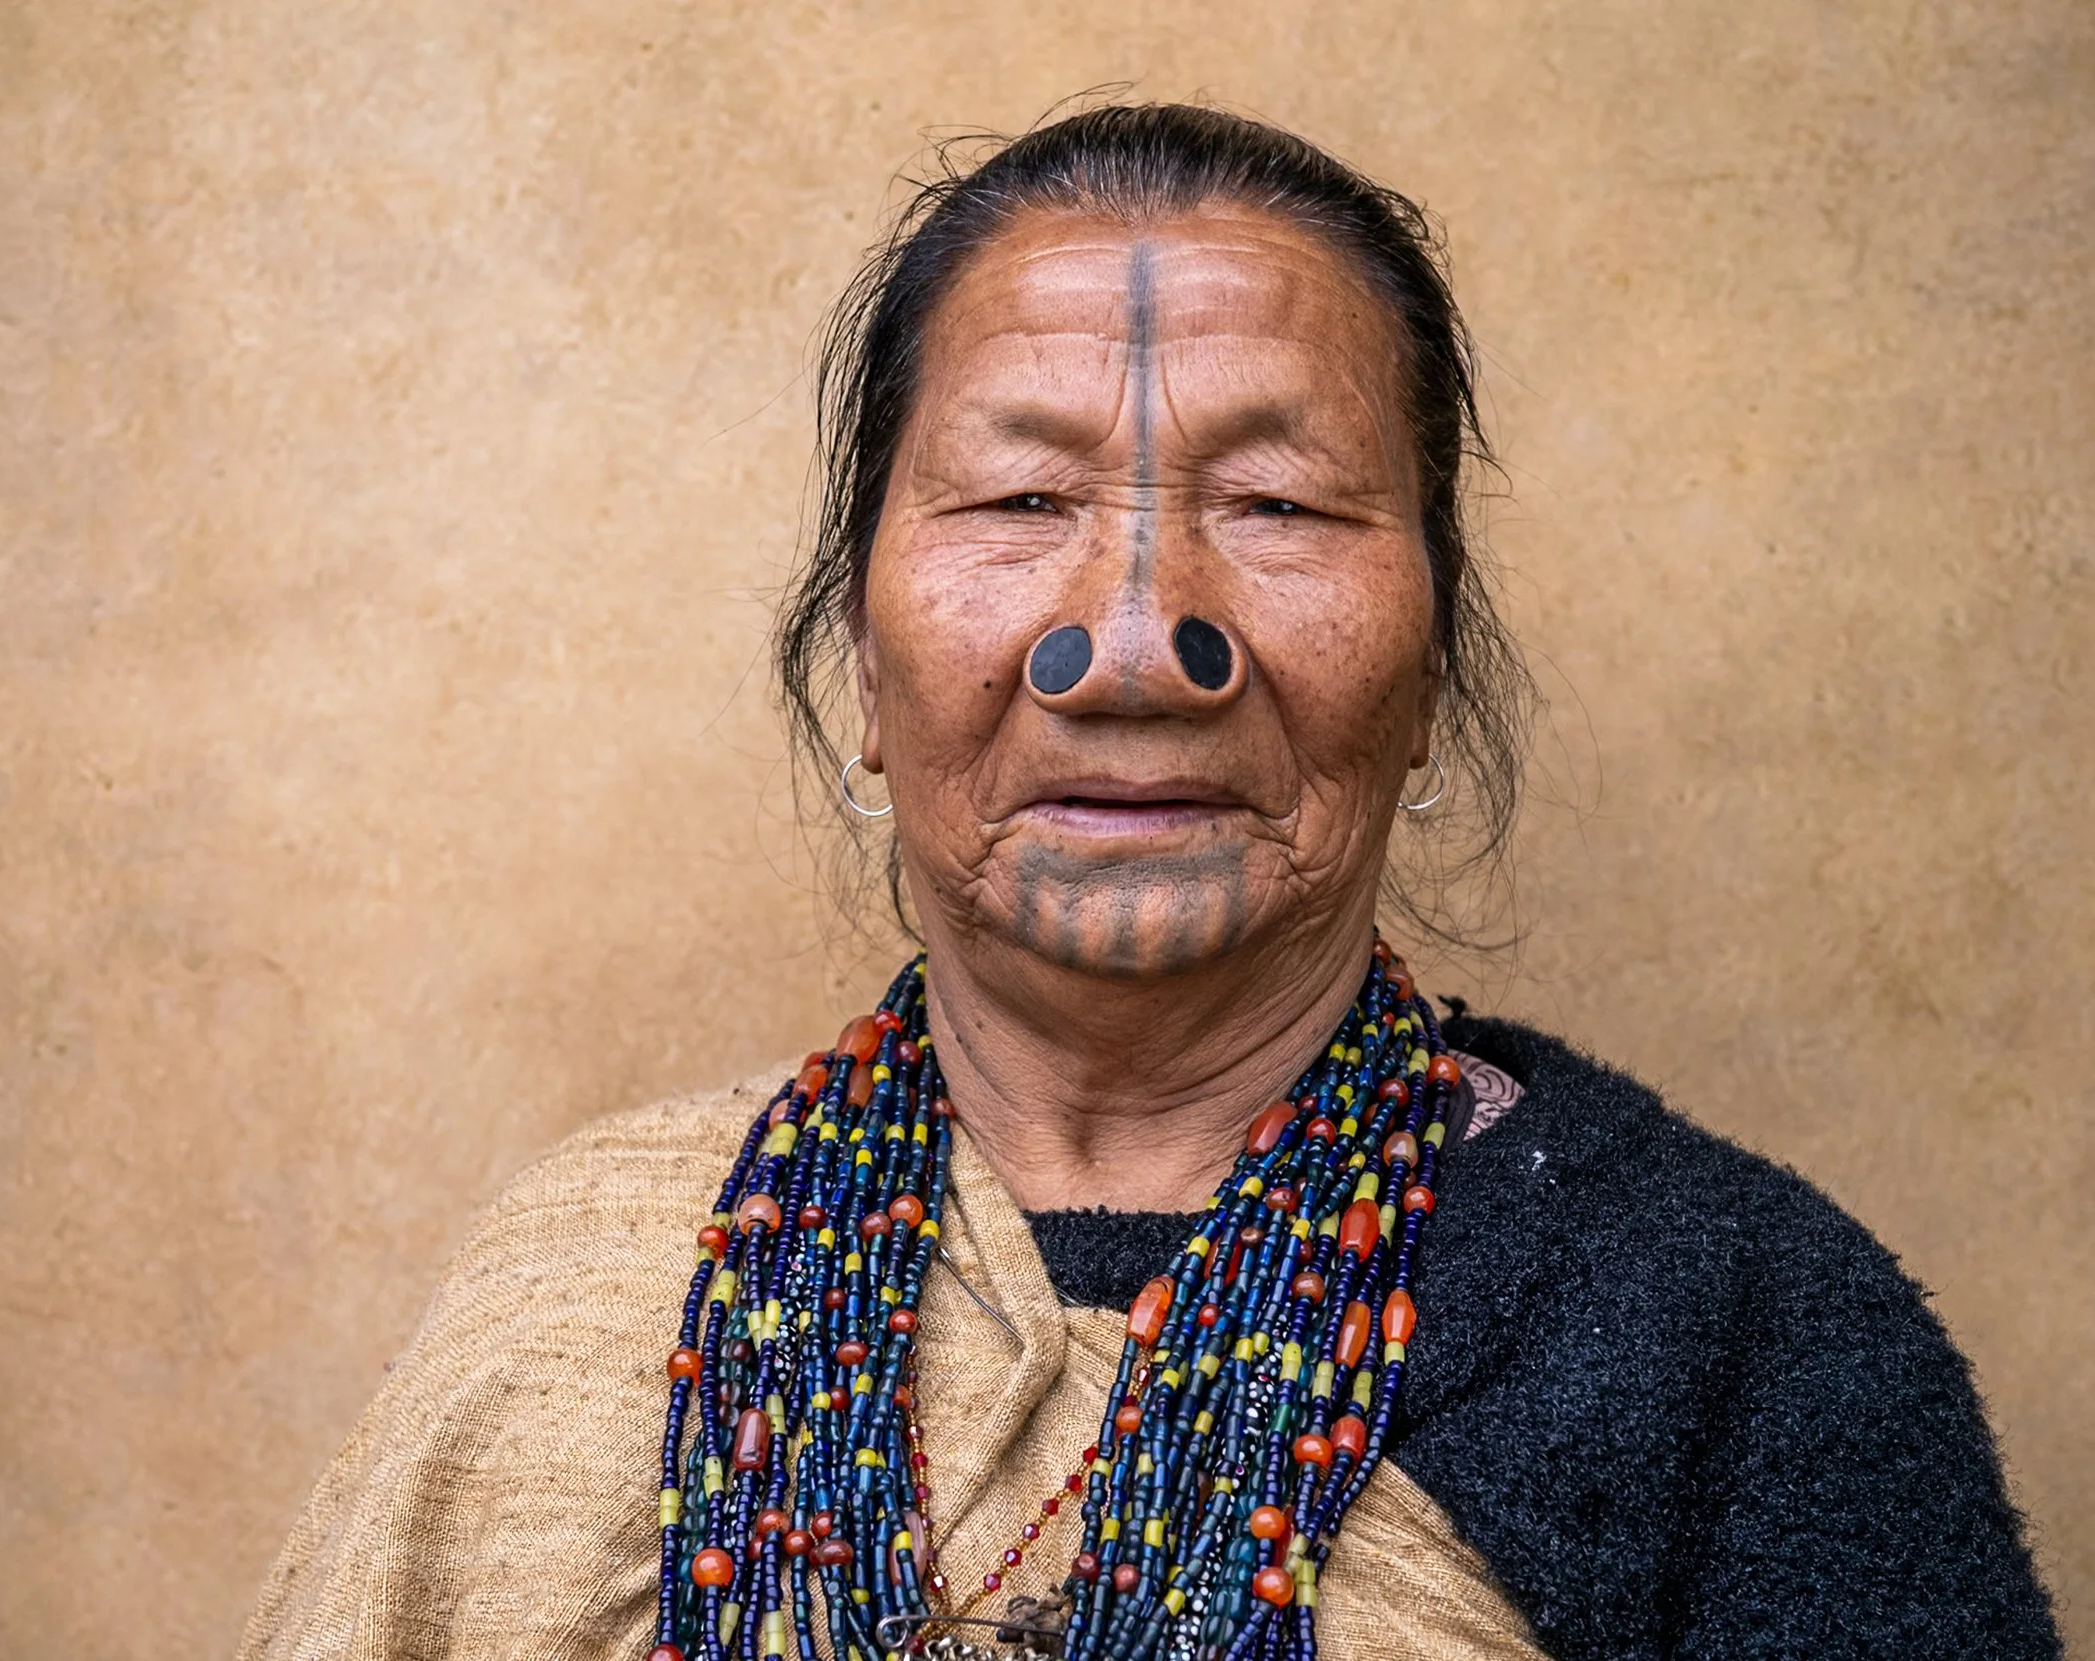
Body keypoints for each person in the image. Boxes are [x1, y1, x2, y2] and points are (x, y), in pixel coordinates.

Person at [236, 104, 2059, 1661]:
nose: (1129, 645)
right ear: (862, 667)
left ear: (1433, 669)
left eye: (1279, 505)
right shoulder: (580, 1300)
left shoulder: (1738, 1336)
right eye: (1018, 501)